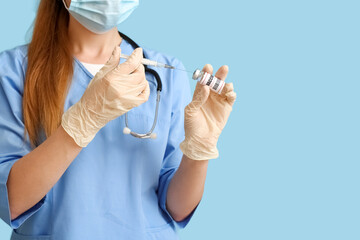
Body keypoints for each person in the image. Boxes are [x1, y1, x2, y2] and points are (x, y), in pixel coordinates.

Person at [0, 0, 237, 239]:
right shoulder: (13, 70)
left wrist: (199, 151)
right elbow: (11, 201)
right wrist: (83, 120)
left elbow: (177, 209)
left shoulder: (166, 75)